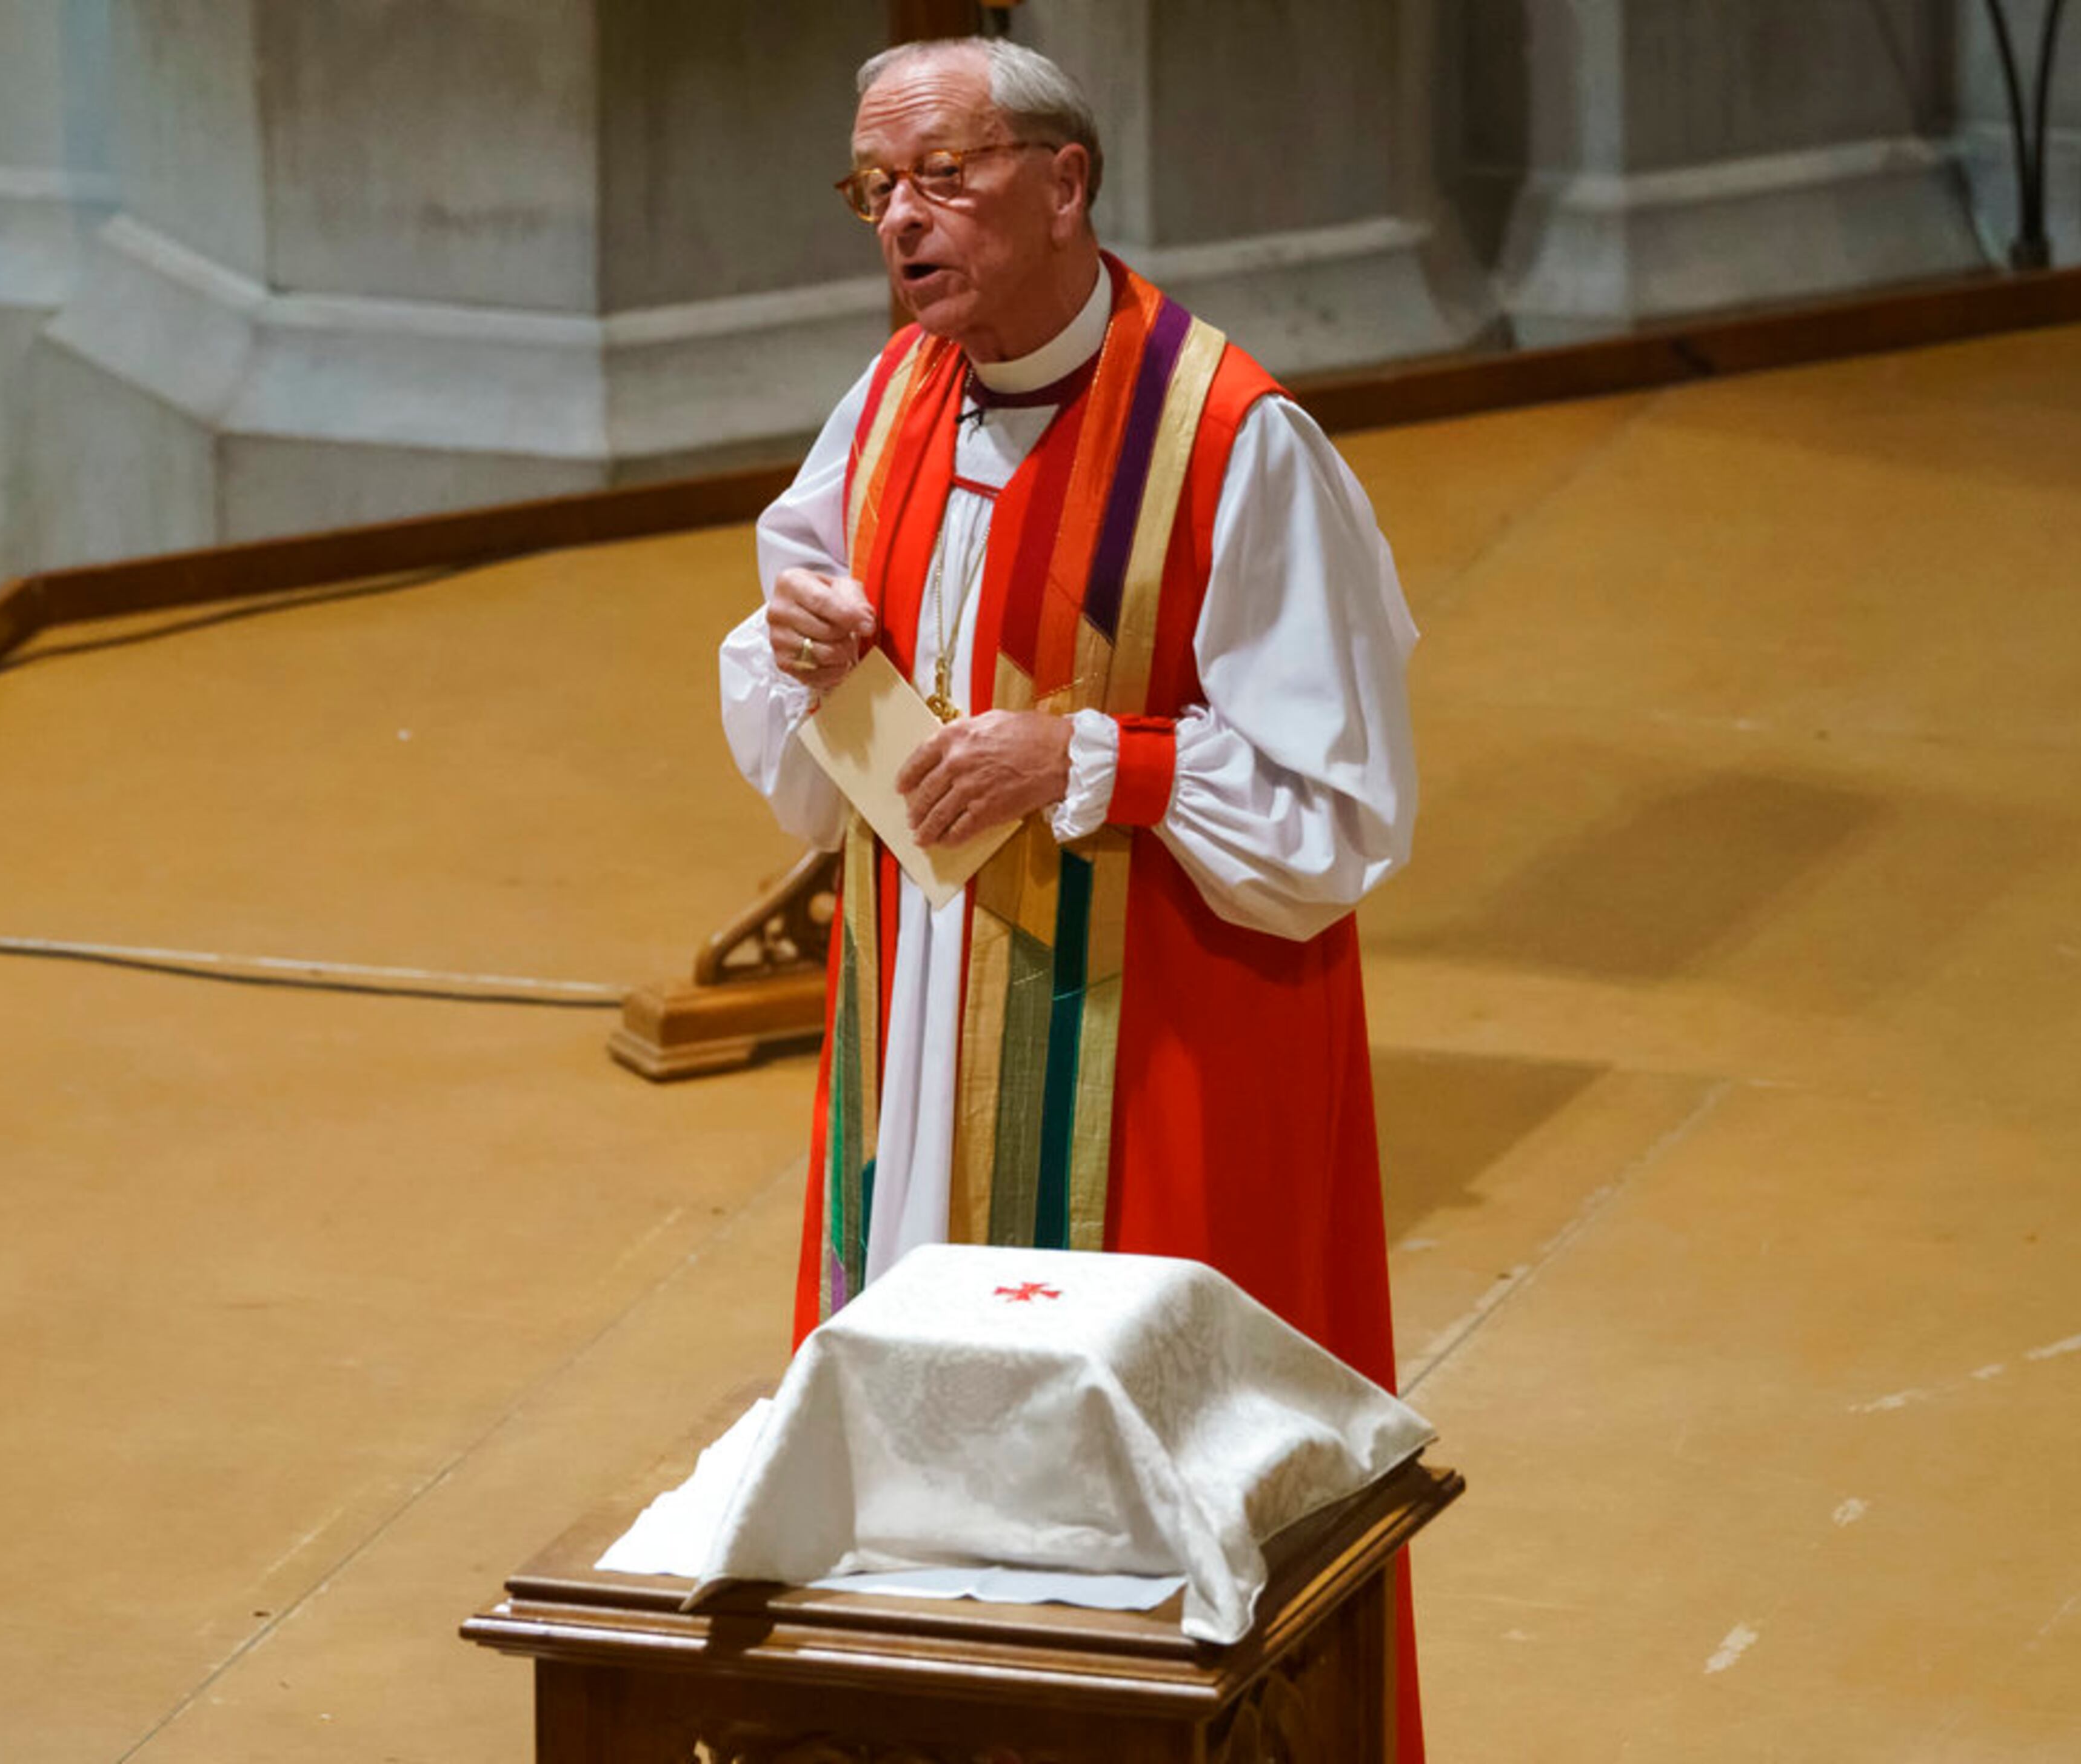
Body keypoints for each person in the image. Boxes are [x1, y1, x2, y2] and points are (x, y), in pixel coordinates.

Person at [718, 34, 1425, 1749]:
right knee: (924, 1501)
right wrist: (794, 649)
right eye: (875, 187)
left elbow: (1341, 815)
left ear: (1065, 180)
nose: (902, 220)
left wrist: (1095, 762)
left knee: (1160, 1521)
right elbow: (801, 746)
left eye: (942, 176)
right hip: (922, 1055)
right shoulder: (885, 405)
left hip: (1151, 1067)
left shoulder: (1235, 444)